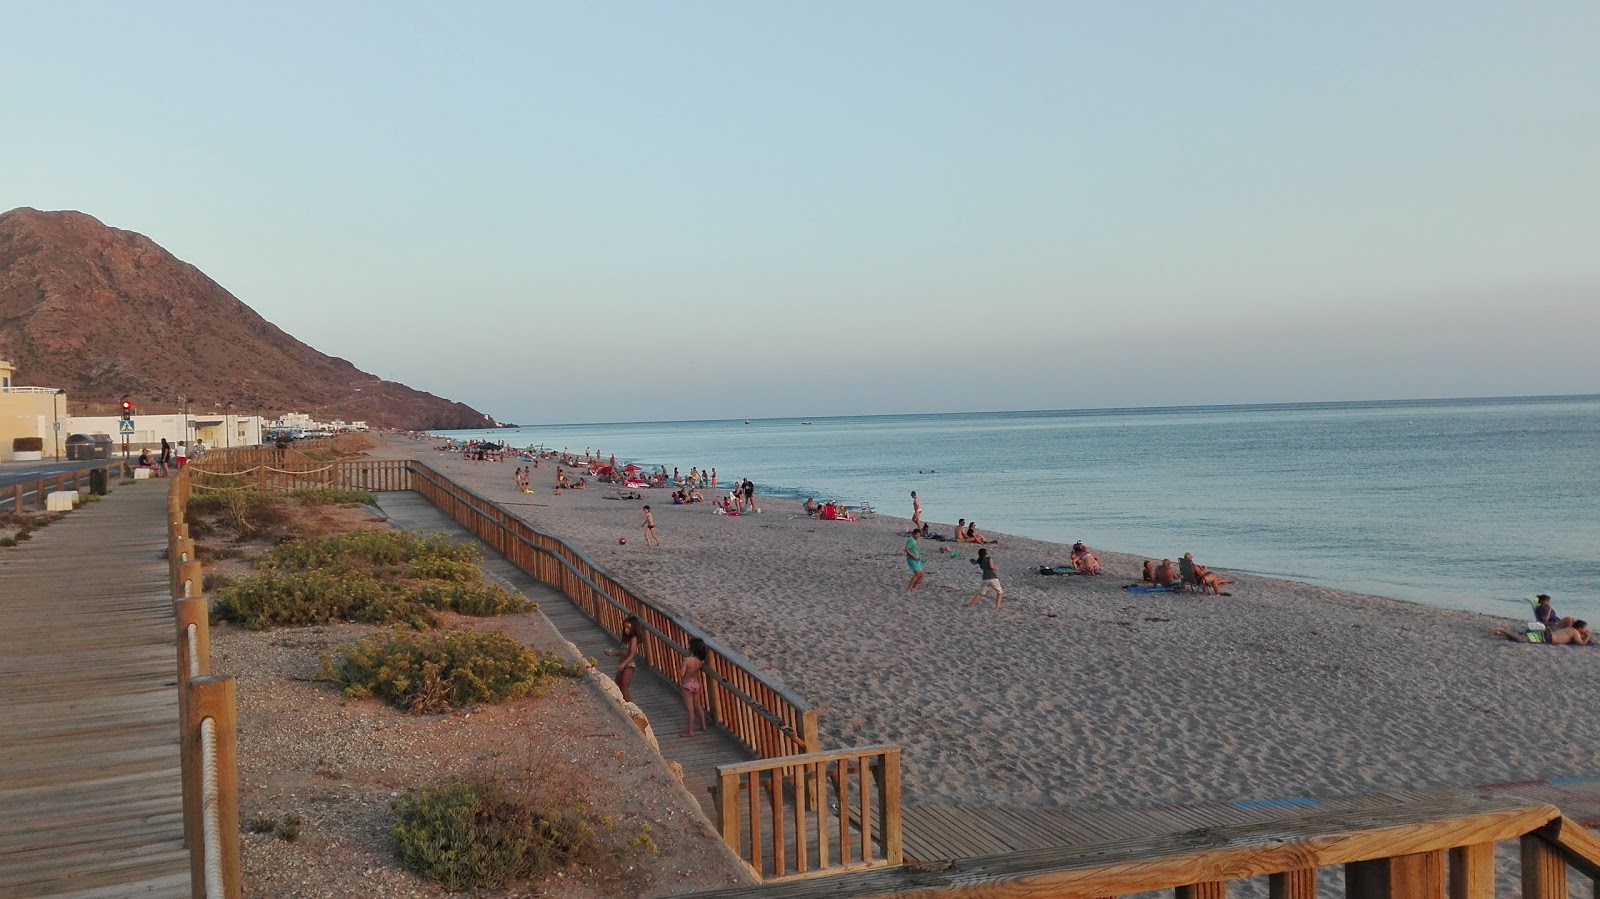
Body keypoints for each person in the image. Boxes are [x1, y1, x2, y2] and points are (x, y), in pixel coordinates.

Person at [606, 616, 645, 702]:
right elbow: (622, 652)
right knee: (617, 684)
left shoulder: (634, 639)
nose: (626, 630)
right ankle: (622, 702)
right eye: (625, 627)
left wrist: (624, 663)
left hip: (628, 665)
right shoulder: (627, 639)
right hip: (622, 664)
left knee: (624, 687)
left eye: (628, 628)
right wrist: (612, 654)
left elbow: (632, 654)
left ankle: (630, 705)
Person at [680, 637, 710, 736]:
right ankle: (703, 725)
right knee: (698, 705)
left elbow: (682, 673)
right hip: (696, 684)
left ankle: (690, 731)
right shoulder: (700, 662)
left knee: (690, 708)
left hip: (687, 685)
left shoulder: (687, 660)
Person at [1494, 620, 1592, 645]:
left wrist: (1584, 635)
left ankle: (1501, 633)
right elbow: (1581, 643)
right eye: (1584, 629)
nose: (1585, 630)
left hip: (1548, 634)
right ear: (1579, 628)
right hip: (1548, 637)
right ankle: (1503, 631)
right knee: (1523, 640)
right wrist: (1587, 636)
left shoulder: (1571, 628)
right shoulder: (1575, 632)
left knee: (1524, 639)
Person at [905, 527, 926, 592]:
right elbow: (906, 549)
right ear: (914, 534)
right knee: (917, 573)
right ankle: (909, 588)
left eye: (919, 535)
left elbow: (914, 550)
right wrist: (914, 556)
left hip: (916, 559)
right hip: (911, 559)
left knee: (921, 574)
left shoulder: (914, 541)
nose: (918, 536)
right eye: (917, 534)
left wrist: (918, 557)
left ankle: (913, 587)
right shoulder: (911, 540)